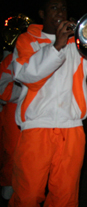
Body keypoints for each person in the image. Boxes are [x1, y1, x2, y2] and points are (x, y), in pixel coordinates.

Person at [9, 0, 87, 206]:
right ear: (42, 14)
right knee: (27, 195)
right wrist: (57, 45)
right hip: (36, 127)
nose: (60, 12)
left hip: (72, 128)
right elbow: (25, 75)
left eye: (63, 8)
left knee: (64, 197)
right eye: (54, 8)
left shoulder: (76, 45)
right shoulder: (26, 40)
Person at [0, 52, 22, 200]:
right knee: (13, 151)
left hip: (42, 114)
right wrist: (27, 90)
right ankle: (9, 184)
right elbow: (3, 89)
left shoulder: (56, 49)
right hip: (14, 109)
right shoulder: (12, 57)